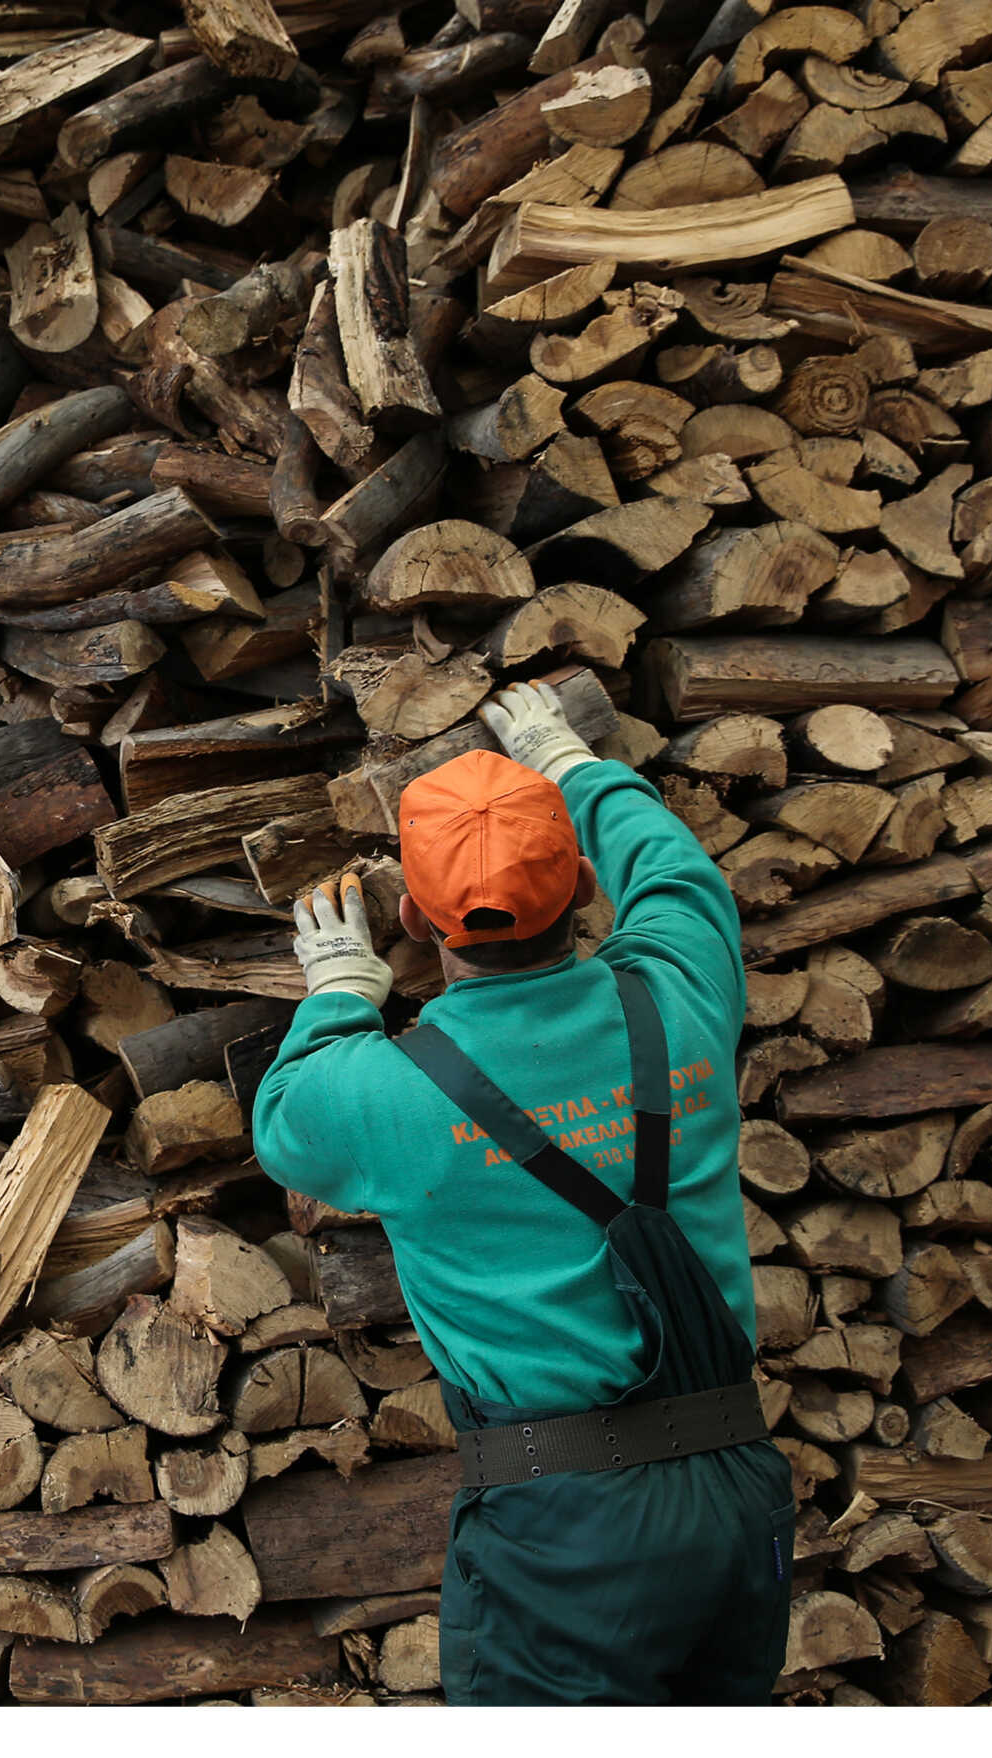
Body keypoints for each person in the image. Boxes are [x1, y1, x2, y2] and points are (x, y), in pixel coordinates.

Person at [249, 680, 793, 1705]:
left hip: (565, 1527)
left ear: (411, 917)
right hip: (737, 1487)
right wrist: (567, 758)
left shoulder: (391, 1094)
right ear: (584, 885)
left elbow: (287, 1124)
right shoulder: (677, 992)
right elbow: (673, 872)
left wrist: (334, 990)